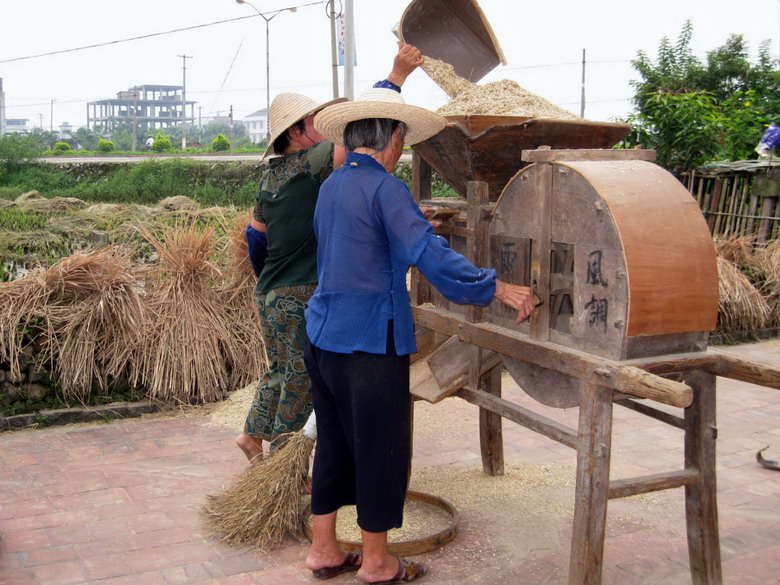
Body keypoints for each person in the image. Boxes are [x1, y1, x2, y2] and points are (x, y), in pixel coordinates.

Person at [302, 88, 538, 584]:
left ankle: (323, 551)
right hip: (369, 341)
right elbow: (428, 255)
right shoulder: (386, 188)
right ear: (390, 138)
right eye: (402, 141)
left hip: (323, 336)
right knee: (380, 449)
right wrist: (495, 286)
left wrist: (409, 226)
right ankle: (377, 563)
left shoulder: (332, 186)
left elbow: (356, 241)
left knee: (336, 445)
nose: (401, 150)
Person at [238, 43, 427, 463]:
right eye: (317, 121)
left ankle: (251, 436)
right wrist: (395, 77)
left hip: (269, 292)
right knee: (302, 380)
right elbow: (366, 138)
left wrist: (273, 275)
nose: (326, 127)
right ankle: (288, 467)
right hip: (297, 293)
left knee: (278, 371)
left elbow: (255, 238)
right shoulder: (313, 162)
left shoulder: (271, 177)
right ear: (298, 132)